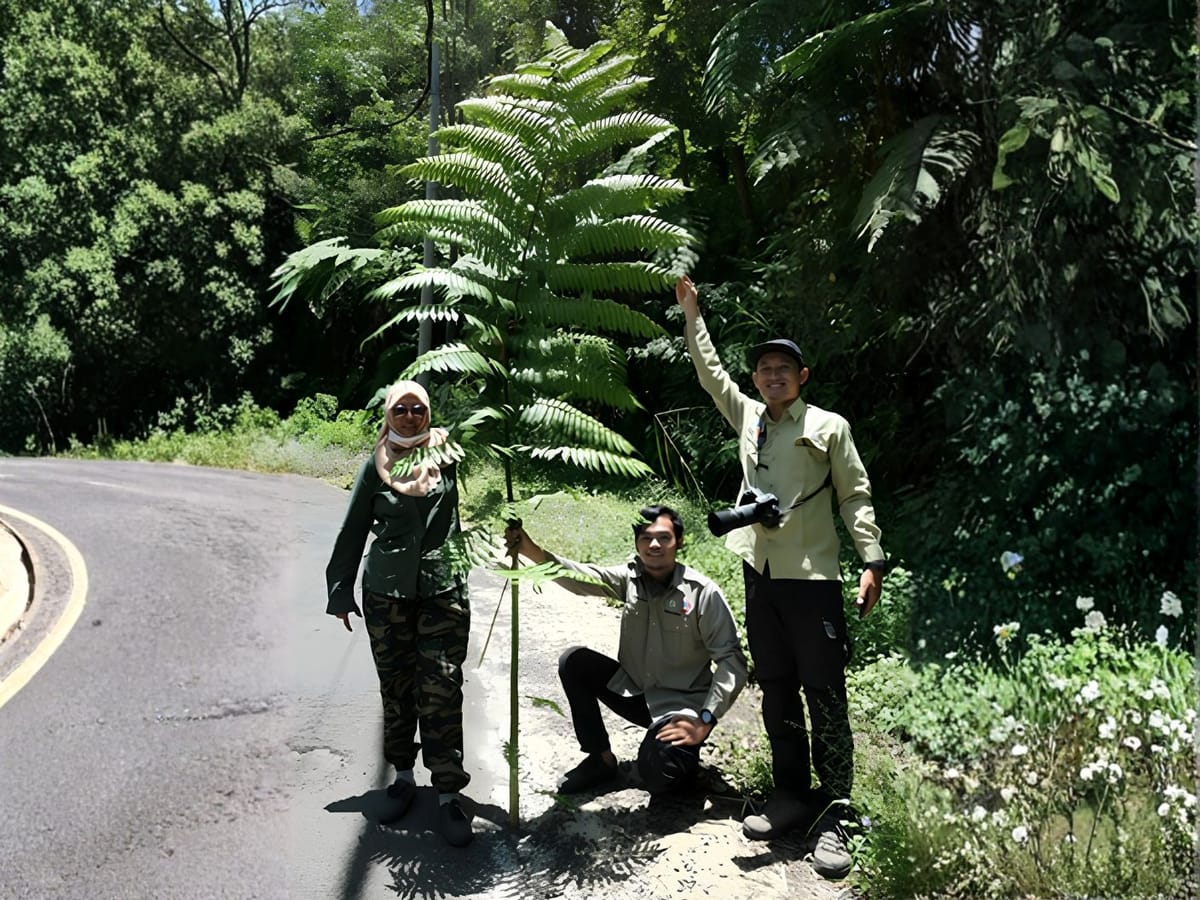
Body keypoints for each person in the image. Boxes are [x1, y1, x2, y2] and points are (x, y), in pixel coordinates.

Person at [675, 275, 887, 879]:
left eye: (784, 369)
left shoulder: (829, 426)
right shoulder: (748, 415)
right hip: (760, 574)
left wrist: (872, 560)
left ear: (802, 377)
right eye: (765, 369)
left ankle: (837, 812)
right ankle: (790, 794)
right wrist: (692, 314)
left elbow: (855, 495)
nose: (773, 376)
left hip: (813, 578)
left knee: (825, 693)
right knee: (776, 687)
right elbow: (709, 372)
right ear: (757, 378)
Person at [504, 507, 748, 798]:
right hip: (635, 692)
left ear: (679, 542)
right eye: (646, 538)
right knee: (574, 662)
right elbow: (581, 578)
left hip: (679, 707)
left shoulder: (703, 593)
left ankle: (680, 762)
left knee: (659, 775)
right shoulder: (629, 579)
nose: (654, 545)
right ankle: (600, 759)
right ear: (637, 542)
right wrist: (531, 551)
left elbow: (732, 662)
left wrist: (704, 720)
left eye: (664, 537)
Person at [325, 380, 473, 848]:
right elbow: (353, 529)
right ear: (388, 414)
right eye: (401, 410)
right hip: (386, 594)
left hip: (443, 591)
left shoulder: (448, 455)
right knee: (397, 688)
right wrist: (339, 591)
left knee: (442, 689)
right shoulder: (375, 465)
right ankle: (404, 777)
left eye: (418, 409)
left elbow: (472, 505)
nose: (410, 417)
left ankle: (448, 793)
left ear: (428, 413)